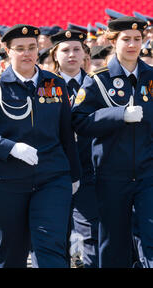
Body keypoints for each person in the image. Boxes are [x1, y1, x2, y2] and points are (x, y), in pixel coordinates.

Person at [0, 24, 81, 268]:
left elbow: (66, 134)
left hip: (51, 177)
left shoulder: (55, 83)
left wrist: (74, 174)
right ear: (7, 51)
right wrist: (9, 148)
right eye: (20, 49)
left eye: (32, 48)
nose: (27, 53)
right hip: (5, 182)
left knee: (49, 245)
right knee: (12, 252)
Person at [72, 16, 153, 268]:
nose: (132, 44)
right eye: (125, 39)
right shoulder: (98, 80)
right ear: (112, 41)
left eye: (137, 39)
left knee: (150, 238)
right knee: (113, 243)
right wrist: (118, 115)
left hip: (148, 173)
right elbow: (79, 120)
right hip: (111, 174)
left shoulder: (151, 77)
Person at [50, 29, 99, 268]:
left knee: (90, 229)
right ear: (55, 56)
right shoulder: (44, 85)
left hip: (89, 164)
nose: (71, 55)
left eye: (76, 49)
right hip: (55, 166)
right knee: (55, 230)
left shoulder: (97, 84)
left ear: (85, 54)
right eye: (65, 50)